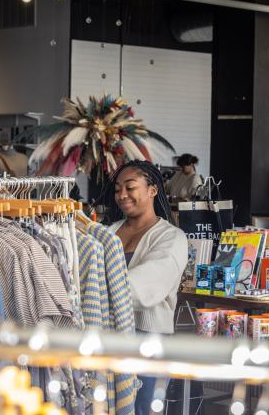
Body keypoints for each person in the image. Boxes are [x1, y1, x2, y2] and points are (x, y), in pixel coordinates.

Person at [101, 160, 188, 415]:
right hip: (110, 335)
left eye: (130, 187)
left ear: (152, 190)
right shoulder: (106, 232)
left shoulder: (171, 238)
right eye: (118, 189)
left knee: (142, 410)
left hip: (148, 340)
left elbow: (147, 285)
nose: (122, 195)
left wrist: (91, 289)